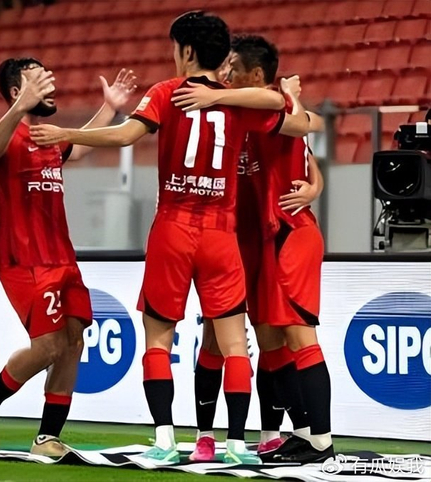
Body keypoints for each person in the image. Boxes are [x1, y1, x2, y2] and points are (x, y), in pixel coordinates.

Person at [30, 11, 310, 465]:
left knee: (158, 340)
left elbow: (125, 135)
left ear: (187, 50)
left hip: (173, 229)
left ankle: (164, 439)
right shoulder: (240, 102)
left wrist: (67, 133)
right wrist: (227, 95)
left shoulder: (167, 92)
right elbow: (282, 106)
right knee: (235, 344)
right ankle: (237, 444)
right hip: (221, 234)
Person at [174, 34, 333, 464]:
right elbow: (307, 138)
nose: (226, 74)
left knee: (299, 337)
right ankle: (300, 434)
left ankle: (321, 442)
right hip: (247, 241)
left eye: (233, 67)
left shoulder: (267, 105)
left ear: (257, 74)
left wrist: (218, 94)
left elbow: (300, 123)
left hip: (287, 233)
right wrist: (316, 183)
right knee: (269, 341)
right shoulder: (242, 113)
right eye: (223, 66)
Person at [0, 59, 137, 457]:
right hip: (23, 260)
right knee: (48, 347)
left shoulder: (49, 137)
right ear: (16, 92)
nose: (50, 85)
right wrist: (18, 108)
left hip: (63, 258)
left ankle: (47, 437)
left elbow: (80, 147)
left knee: (74, 343)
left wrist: (110, 108)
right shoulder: (0, 133)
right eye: (38, 80)